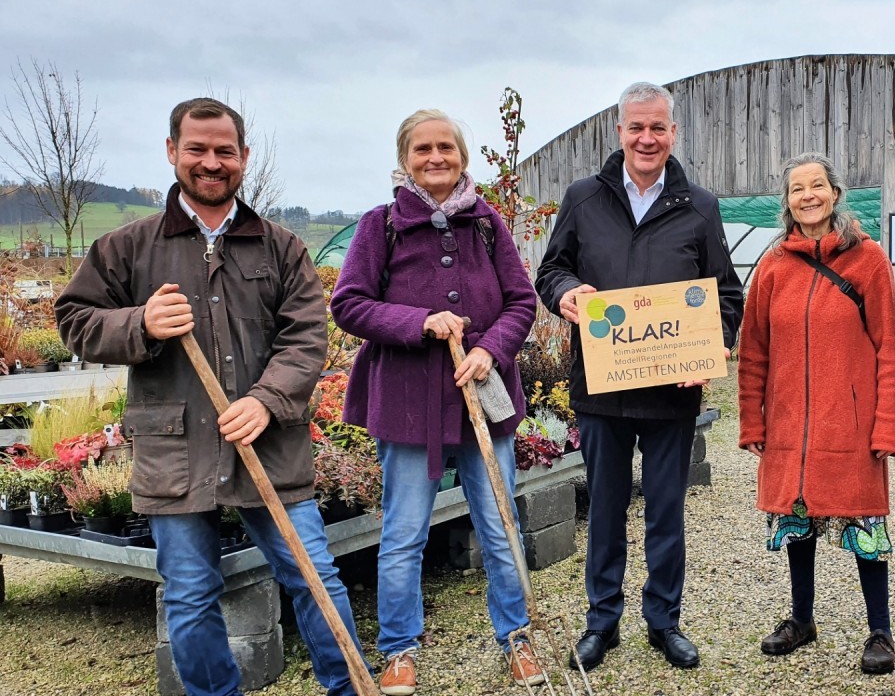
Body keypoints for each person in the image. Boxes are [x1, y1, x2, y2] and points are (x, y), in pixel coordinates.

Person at [55, 97, 371, 696]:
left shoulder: (280, 247)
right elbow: (74, 318)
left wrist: (267, 399)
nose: (211, 162)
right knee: (191, 595)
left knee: (313, 576)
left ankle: (350, 687)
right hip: (175, 450)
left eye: (224, 151)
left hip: (269, 444)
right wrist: (139, 324)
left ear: (244, 157)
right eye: (196, 149)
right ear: (172, 152)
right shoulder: (128, 248)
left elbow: (307, 336)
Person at [329, 109, 540, 694]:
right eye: (423, 148)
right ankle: (399, 648)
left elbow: (522, 303)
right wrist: (421, 321)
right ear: (405, 159)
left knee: (500, 526)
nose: (436, 157)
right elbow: (348, 304)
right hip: (407, 406)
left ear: (462, 155)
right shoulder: (382, 226)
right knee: (404, 534)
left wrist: (490, 350)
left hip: (481, 400)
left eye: (446, 147)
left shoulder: (488, 226)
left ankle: (517, 635)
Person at [535, 82, 743, 672]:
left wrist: (711, 346)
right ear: (619, 132)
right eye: (636, 128)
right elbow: (552, 269)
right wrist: (566, 292)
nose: (647, 138)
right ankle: (602, 622)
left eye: (658, 128)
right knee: (603, 508)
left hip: (671, 392)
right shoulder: (583, 197)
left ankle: (663, 620)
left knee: (665, 510)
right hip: (601, 388)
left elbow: (727, 295)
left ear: (673, 134)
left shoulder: (698, 205)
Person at [737, 153, 895, 674]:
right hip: (790, 423)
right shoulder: (771, 267)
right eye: (796, 189)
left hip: (850, 423)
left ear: (835, 193)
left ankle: (880, 631)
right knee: (797, 517)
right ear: (786, 202)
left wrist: (887, 425)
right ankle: (802, 620)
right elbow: (754, 351)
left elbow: (889, 348)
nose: (807, 196)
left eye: (817, 186)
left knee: (865, 526)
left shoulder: (869, 260)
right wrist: (752, 420)